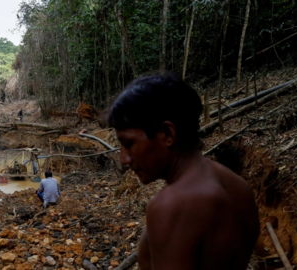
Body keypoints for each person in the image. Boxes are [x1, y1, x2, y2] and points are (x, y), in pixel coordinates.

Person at [108, 71, 259, 270]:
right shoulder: (239, 189)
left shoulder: (173, 205)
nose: (124, 159)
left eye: (129, 143)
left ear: (167, 134)